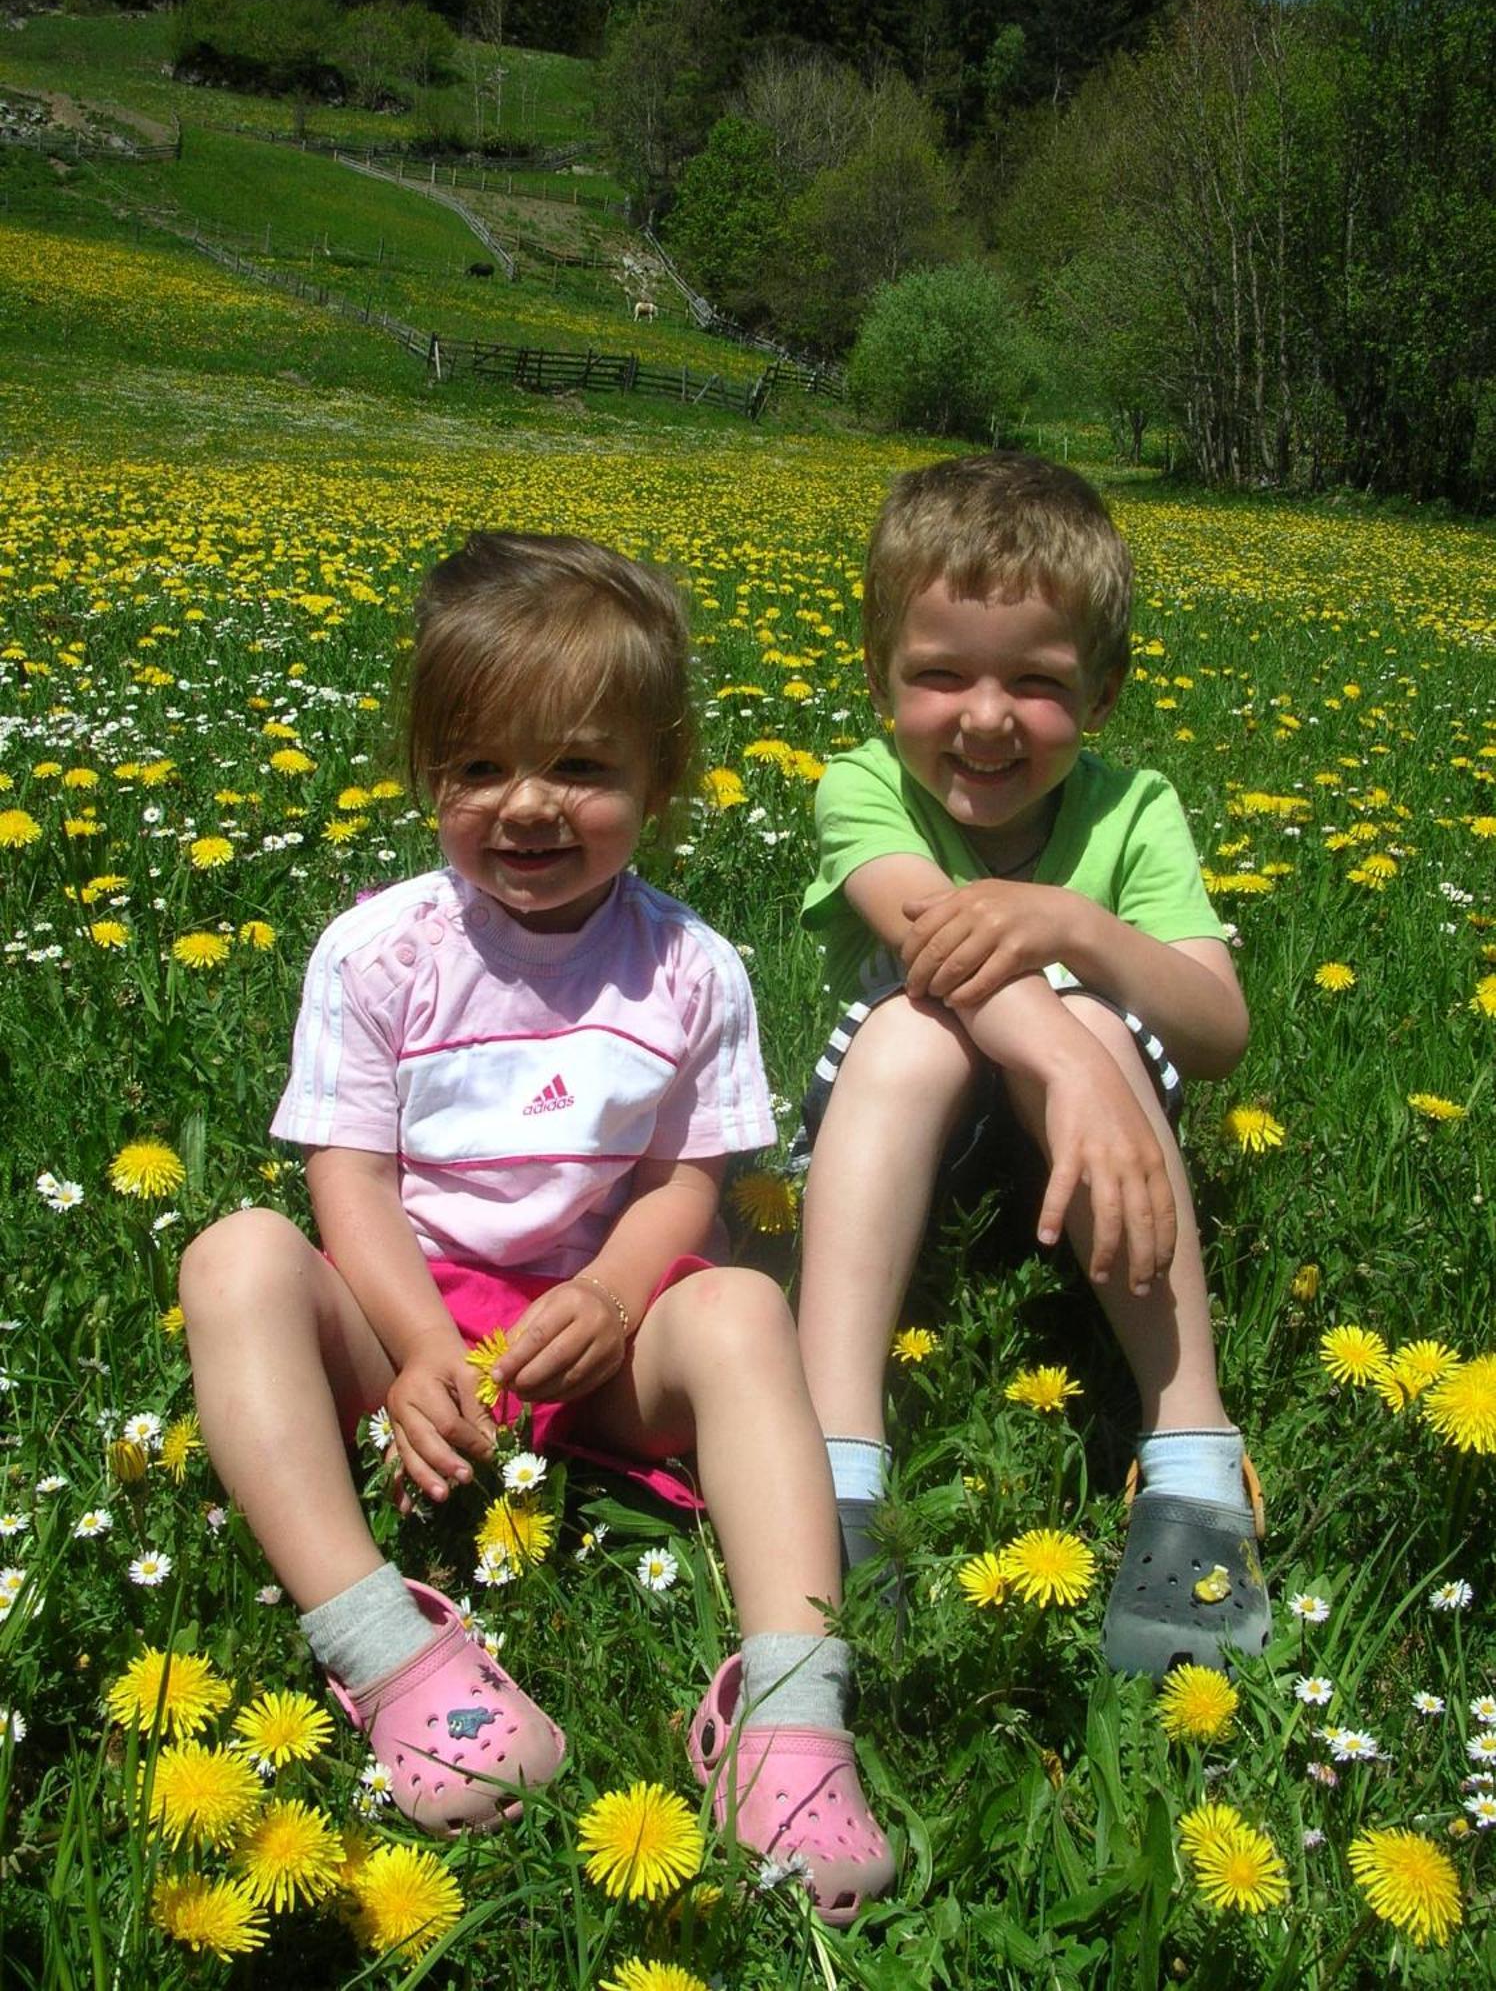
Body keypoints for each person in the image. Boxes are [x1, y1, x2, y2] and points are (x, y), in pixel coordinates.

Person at [180, 532, 893, 1923]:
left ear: (660, 780)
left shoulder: (690, 965)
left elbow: (689, 1182)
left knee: (746, 1307)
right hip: (407, 1332)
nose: (526, 806)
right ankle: (384, 1647)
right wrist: (413, 1344)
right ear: (426, 776)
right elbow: (350, 1184)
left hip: (599, 1336)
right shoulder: (378, 952)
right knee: (236, 1256)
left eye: (579, 767)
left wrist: (627, 1293)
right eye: (477, 769)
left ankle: (798, 1718)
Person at [792, 453, 1270, 1678]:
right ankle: (834, 1463)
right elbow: (935, 945)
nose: (986, 716)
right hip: (908, 1155)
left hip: (1096, 1170)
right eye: (940, 674)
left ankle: (1191, 1452)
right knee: (919, 1018)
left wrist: (1077, 930)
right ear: (877, 677)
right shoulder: (861, 788)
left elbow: (1216, 1032)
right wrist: (1069, 1057)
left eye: (1038, 683)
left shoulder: (1133, 808)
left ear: (1102, 690)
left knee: (1107, 1024)